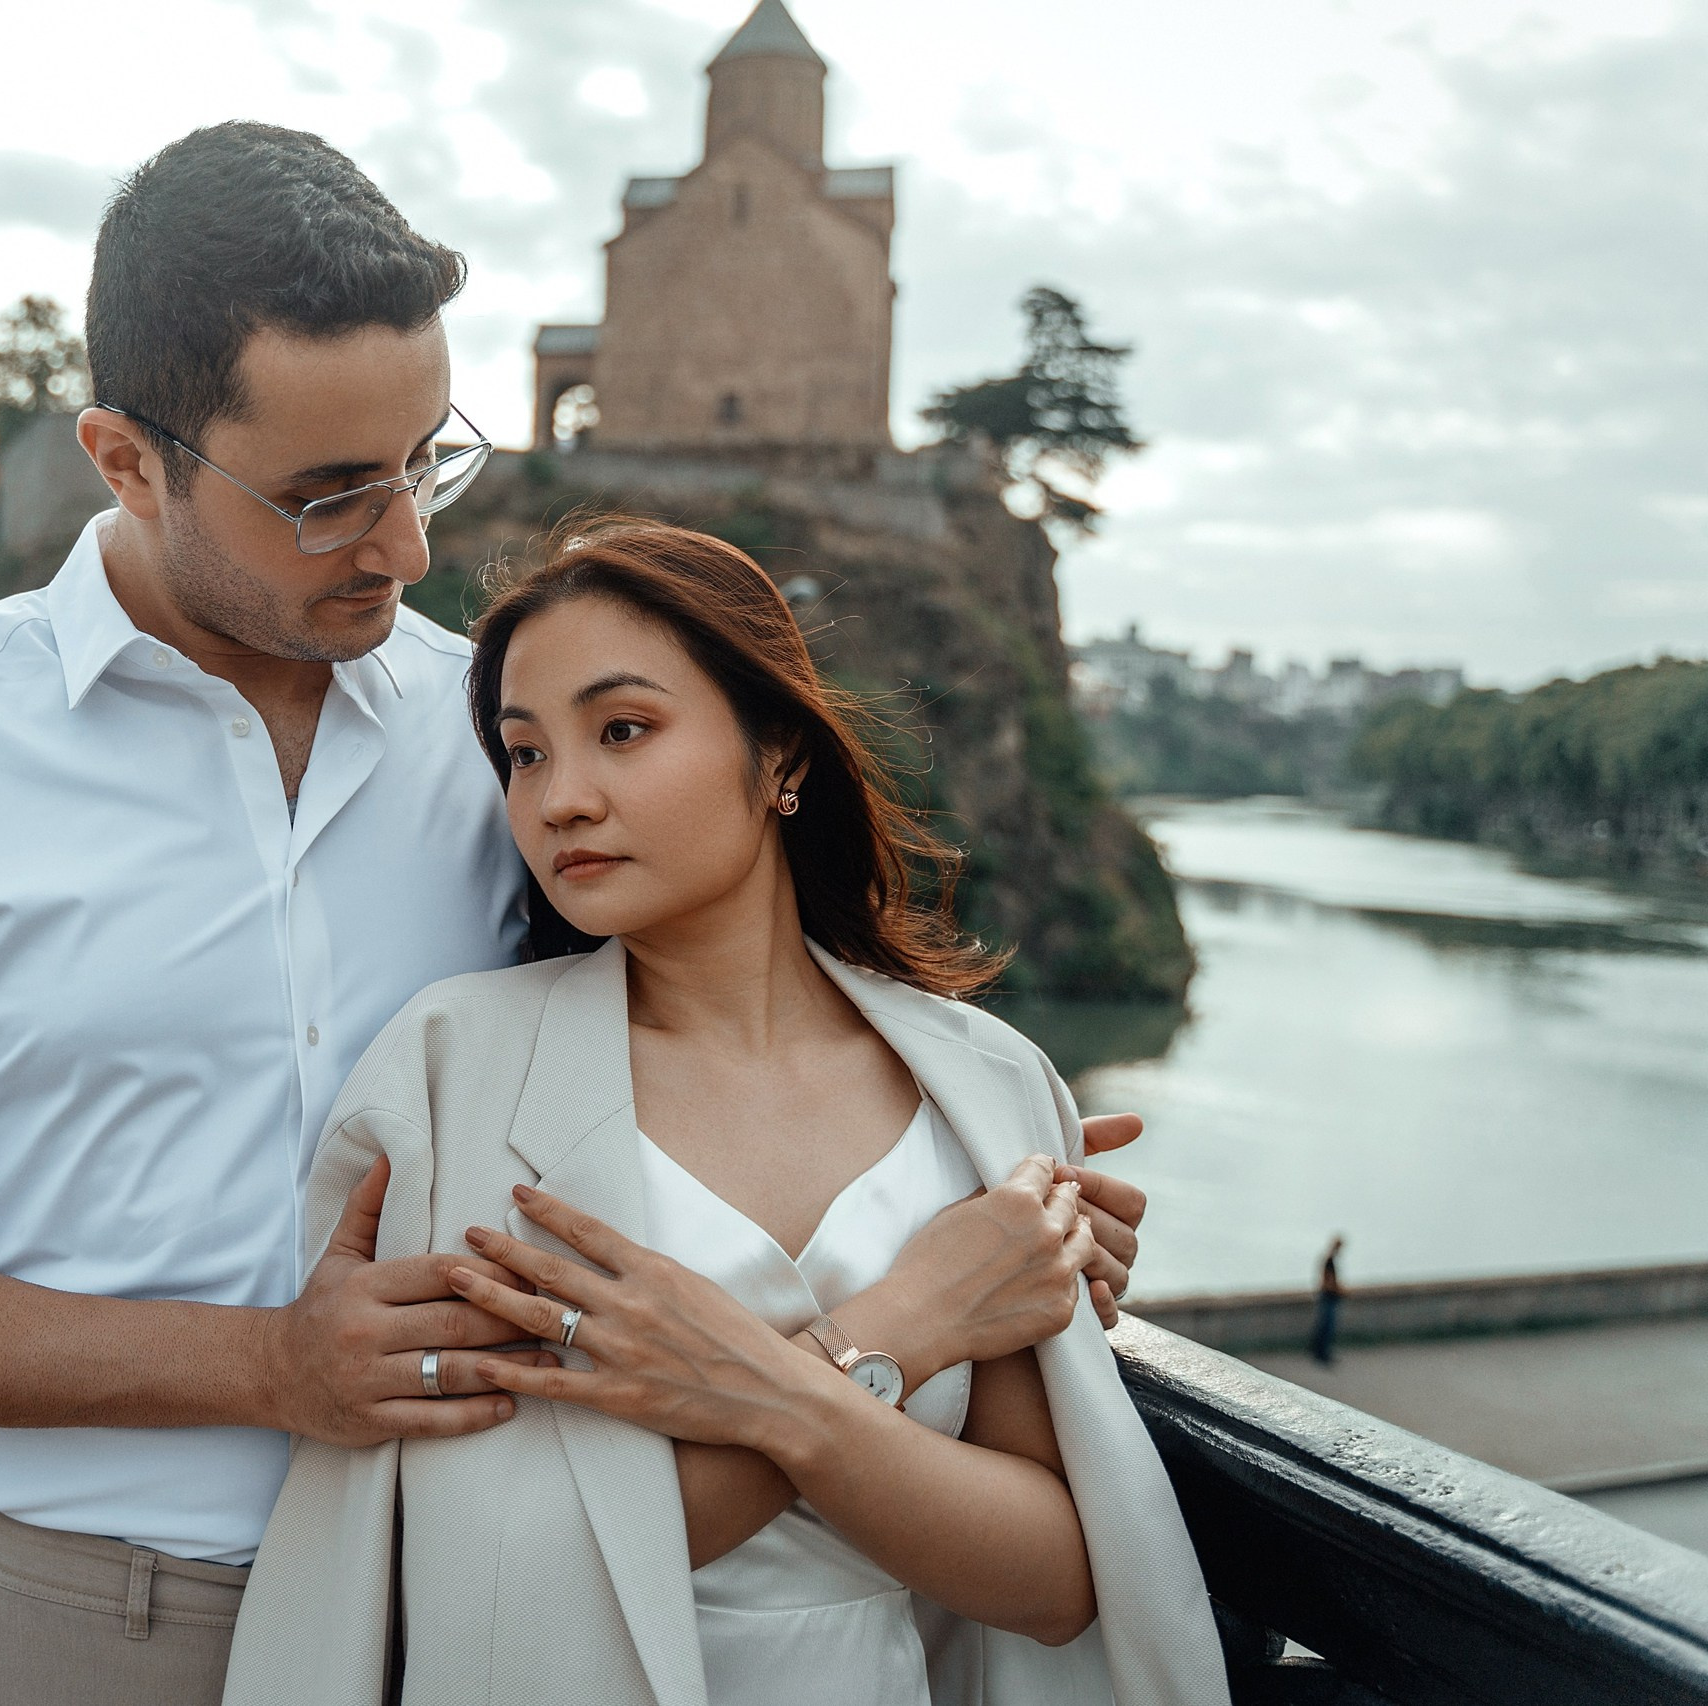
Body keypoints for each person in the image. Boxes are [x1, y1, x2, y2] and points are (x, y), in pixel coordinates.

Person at [0, 125, 1157, 1706]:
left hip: (532, 1607)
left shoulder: (496, 739)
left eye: (425, 461)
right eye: (331, 497)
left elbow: (718, 1049)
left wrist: (995, 1181)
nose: (406, 545)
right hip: (107, 1617)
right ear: (127, 460)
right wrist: (268, 1365)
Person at [227, 522, 1226, 1706]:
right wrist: (899, 1329)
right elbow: (494, 1569)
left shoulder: (984, 1085)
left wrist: (777, 1396)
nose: (560, 798)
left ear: (778, 751)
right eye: (524, 753)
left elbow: (1056, 1580)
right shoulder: (457, 1072)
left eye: (623, 730)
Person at [1313, 1235, 1347, 1364]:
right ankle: (1321, 1354)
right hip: (1328, 1297)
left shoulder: (1329, 1260)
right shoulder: (1329, 1260)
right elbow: (1327, 1282)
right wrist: (1340, 1290)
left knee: (1325, 1326)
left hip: (1328, 1296)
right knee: (1326, 1327)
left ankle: (1320, 1353)